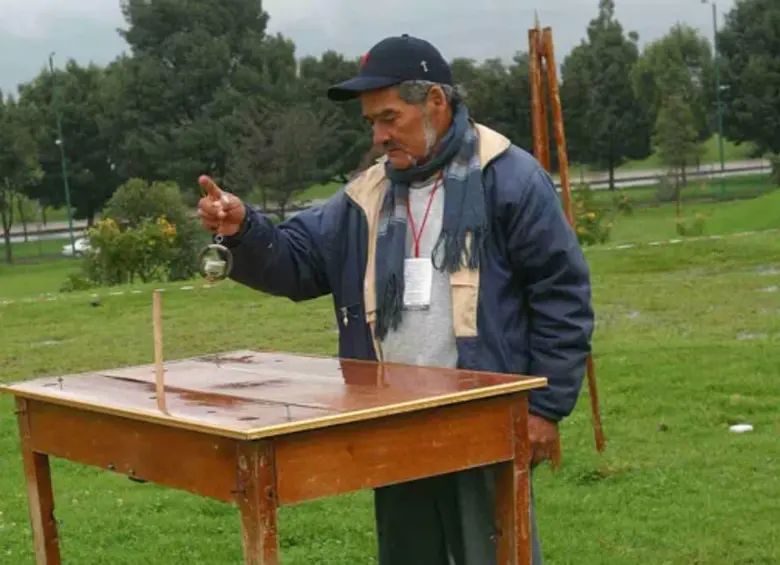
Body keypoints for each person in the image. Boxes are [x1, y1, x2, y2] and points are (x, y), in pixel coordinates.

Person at [198, 34, 594, 565]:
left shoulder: (509, 179)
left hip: (485, 418)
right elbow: (297, 262)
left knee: (496, 555)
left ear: (436, 101)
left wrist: (545, 409)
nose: (380, 136)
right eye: (372, 124)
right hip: (393, 421)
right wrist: (245, 230)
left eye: (390, 118)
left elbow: (561, 295)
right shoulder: (366, 197)